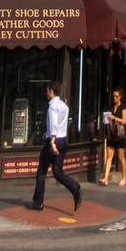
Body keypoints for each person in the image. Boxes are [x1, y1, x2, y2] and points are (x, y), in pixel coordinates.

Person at [31, 83, 82, 213]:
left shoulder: (52, 107)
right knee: (58, 172)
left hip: (53, 142)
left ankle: (38, 202)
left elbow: (54, 125)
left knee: (41, 172)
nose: (46, 93)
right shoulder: (64, 106)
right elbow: (61, 124)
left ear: (51, 91)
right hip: (63, 140)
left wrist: (52, 142)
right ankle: (75, 188)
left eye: (47, 91)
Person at [100, 87, 126, 187]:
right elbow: (107, 119)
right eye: (113, 96)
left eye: (116, 96)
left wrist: (114, 118)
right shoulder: (111, 106)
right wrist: (106, 118)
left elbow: (124, 121)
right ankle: (105, 179)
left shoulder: (123, 107)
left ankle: (124, 177)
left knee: (121, 158)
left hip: (120, 136)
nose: (114, 98)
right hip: (111, 135)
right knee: (109, 157)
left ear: (120, 97)